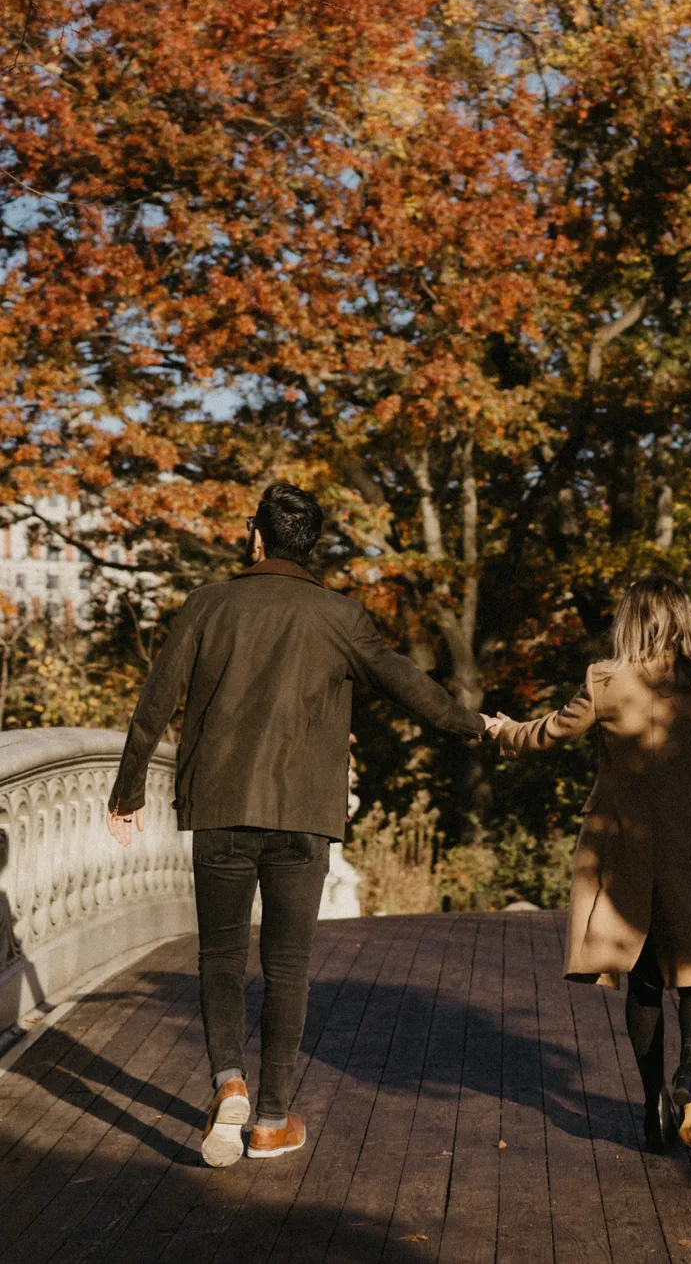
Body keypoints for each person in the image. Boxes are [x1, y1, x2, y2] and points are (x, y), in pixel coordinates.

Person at [107, 483, 486, 1167]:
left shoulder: (208, 604)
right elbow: (407, 684)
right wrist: (475, 724)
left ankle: (228, 1083)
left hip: (220, 807)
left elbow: (154, 701)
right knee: (287, 967)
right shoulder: (339, 615)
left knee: (220, 957)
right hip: (303, 816)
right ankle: (274, 1119)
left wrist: (127, 790)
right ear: (310, 544)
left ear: (256, 536)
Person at [488, 574, 691, 1153]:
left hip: (624, 849)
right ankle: (689, 1078)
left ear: (629, 621)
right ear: (683, 621)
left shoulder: (606, 681)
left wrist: (501, 732)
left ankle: (653, 1107)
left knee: (643, 980)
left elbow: (546, 734)